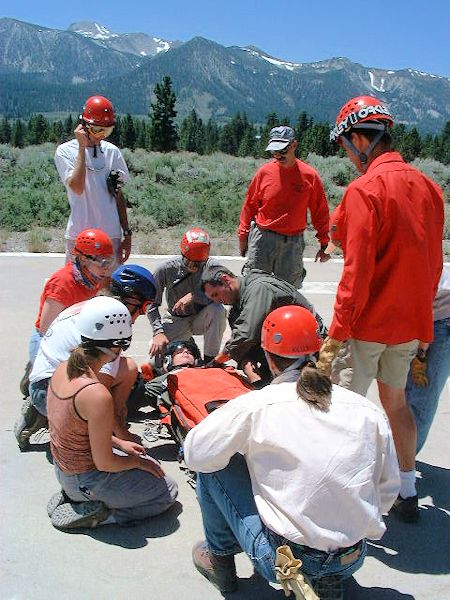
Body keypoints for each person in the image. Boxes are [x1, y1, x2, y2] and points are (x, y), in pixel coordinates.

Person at [184, 305, 400, 598]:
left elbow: (196, 454)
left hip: (283, 561)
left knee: (216, 464)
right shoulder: (366, 410)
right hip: (352, 556)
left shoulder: (258, 405)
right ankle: (327, 578)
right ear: (319, 350)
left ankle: (220, 563)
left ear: (268, 360)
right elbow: (386, 491)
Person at [319, 95, 444, 522]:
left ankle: (342, 493)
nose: (348, 157)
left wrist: (334, 337)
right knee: (397, 405)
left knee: (342, 410)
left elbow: (356, 274)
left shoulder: (364, 189)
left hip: (366, 327)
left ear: (358, 138)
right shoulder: (430, 188)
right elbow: (432, 268)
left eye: (345, 147)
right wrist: (424, 331)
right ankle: (406, 491)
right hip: (409, 326)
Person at [45, 296, 178, 530]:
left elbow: (78, 429)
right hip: (86, 479)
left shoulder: (62, 368)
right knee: (166, 491)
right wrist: (136, 462)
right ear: (117, 345)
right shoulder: (96, 394)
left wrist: (121, 444)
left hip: (64, 470)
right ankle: (99, 513)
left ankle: (75, 496)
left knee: (143, 462)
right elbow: (105, 462)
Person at [14, 264, 157, 450]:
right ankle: (60, 418)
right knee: (99, 411)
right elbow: (100, 391)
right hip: (51, 391)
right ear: (130, 300)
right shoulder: (108, 322)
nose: (143, 313)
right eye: (144, 306)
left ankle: (49, 414)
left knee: (128, 368)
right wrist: (122, 438)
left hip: (47, 381)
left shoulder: (95, 307)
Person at [201, 264, 326, 385]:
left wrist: (215, 362)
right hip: (285, 349)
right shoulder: (236, 310)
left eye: (216, 294)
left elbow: (246, 334)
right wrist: (246, 362)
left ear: (225, 279)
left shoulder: (259, 288)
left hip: (309, 348)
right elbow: (243, 344)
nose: (217, 301)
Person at [238, 125, 330, 288]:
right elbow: (249, 205)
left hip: (292, 243)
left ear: (294, 145)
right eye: (274, 151)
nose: (278, 155)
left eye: (282, 150)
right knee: (254, 288)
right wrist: (243, 236)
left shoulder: (310, 176)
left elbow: (320, 211)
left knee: (288, 292)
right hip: (262, 240)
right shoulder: (264, 173)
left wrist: (324, 243)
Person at [54, 95, 132, 268]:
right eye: (97, 130)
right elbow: (77, 187)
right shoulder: (65, 151)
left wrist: (127, 233)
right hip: (79, 236)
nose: (101, 136)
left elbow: (118, 195)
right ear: (84, 126)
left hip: (110, 235)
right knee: (76, 290)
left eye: (107, 131)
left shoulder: (112, 152)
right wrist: (82, 148)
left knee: (108, 290)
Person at [26, 228, 114, 369]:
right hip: (48, 343)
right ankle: (34, 376)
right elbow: (45, 329)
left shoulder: (92, 279)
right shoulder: (62, 283)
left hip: (73, 339)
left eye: (110, 262)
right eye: (103, 262)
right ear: (84, 259)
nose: (107, 268)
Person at [148, 228, 226, 365]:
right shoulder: (165, 269)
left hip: (201, 317)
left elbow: (223, 292)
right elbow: (151, 303)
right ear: (182, 254)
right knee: (155, 357)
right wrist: (158, 332)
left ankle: (210, 362)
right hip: (176, 319)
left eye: (198, 264)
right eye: (188, 262)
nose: (193, 267)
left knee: (218, 310)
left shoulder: (212, 266)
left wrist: (195, 296)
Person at [406, 265, 450, 452]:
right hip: (427, 317)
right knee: (407, 395)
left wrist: (422, 351)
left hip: (440, 320)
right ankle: (401, 457)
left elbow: (426, 299)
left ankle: (402, 464)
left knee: (420, 396)